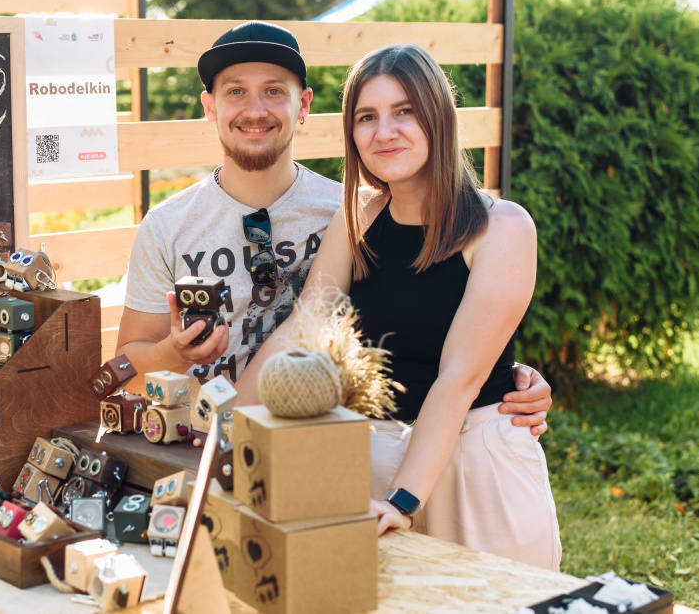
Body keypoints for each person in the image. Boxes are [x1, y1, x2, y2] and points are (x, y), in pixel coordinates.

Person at [116, 21, 552, 436]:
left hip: (327, 434)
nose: (255, 109)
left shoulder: (355, 212)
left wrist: (500, 379)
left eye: (273, 91)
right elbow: (125, 369)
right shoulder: (167, 226)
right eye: (235, 92)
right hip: (197, 432)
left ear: (303, 104)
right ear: (210, 106)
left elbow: (429, 304)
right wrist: (174, 357)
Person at [238, 43, 561, 570]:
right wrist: (222, 427)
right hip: (378, 456)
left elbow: (459, 377)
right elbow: (304, 325)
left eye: (404, 111)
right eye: (367, 117)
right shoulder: (357, 218)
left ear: (437, 116)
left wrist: (404, 501)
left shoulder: (501, 227)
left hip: (475, 461)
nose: (384, 132)